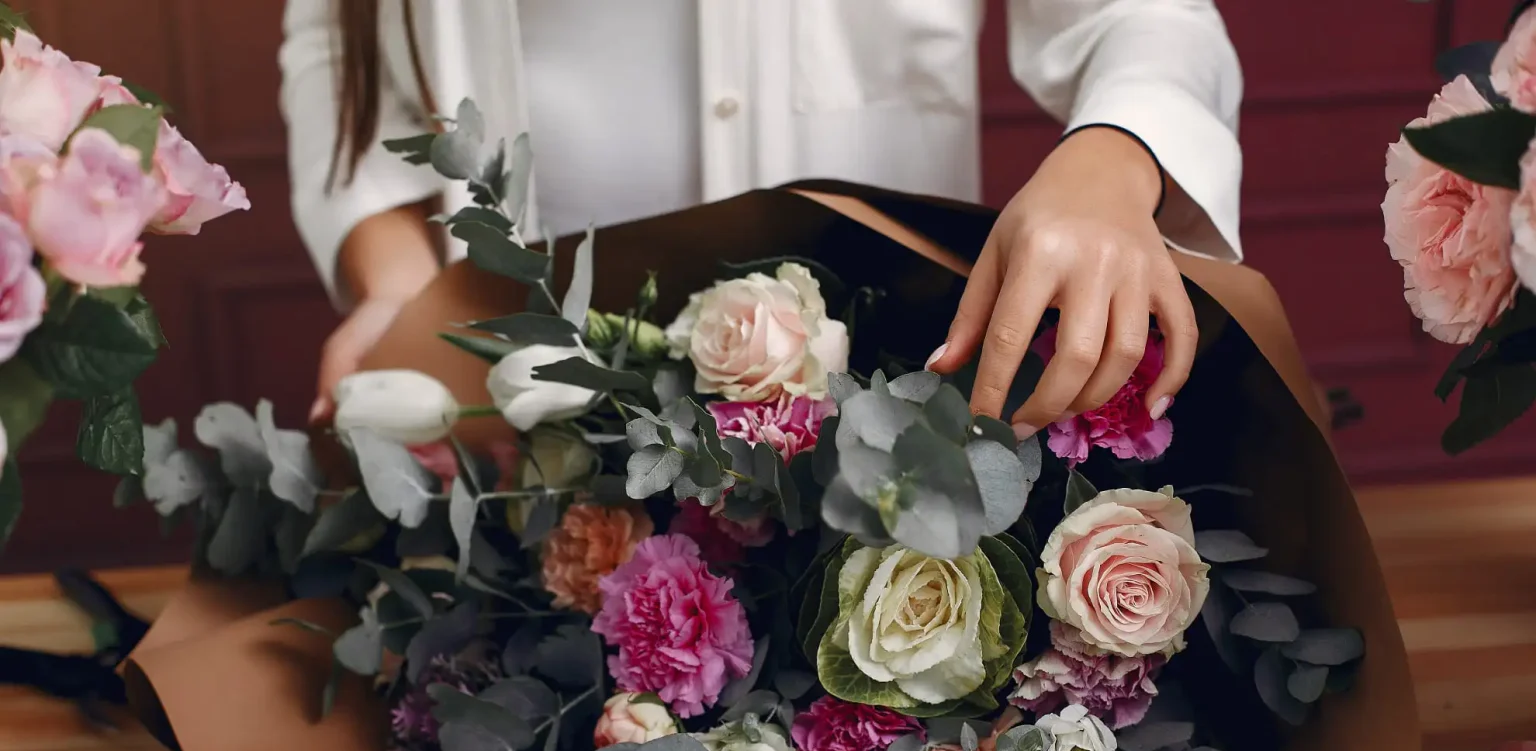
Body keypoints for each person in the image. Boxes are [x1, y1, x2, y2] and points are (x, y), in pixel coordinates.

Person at [280, 1, 1242, 439]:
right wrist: (395, 279)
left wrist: (1114, 155)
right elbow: (337, 29)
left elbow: (1147, 17)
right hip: (516, 405)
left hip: (871, 432)